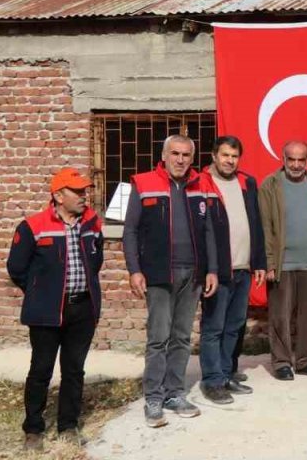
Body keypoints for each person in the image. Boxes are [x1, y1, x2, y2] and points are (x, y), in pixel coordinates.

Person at [123, 135, 218, 426]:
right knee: (158, 338)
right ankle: (153, 398)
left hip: (193, 274)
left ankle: (175, 393)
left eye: (186, 155)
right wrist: (134, 269)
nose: (180, 160)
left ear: (192, 157)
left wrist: (212, 269)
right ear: (164, 156)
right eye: (175, 154)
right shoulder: (143, 183)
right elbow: (130, 232)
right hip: (159, 274)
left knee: (182, 337)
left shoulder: (201, 183)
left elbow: (209, 232)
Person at [7, 168, 103, 450]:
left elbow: (96, 261)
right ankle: (34, 429)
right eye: (78, 191)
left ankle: (68, 425)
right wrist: (40, 293)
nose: (85, 196)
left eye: (85, 190)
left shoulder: (92, 224)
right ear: (59, 196)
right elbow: (16, 268)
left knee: (74, 370)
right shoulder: (33, 226)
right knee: (41, 370)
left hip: (83, 308)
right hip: (47, 312)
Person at [198, 136, 266, 404]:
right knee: (213, 326)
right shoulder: (201, 183)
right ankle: (212, 380)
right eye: (225, 155)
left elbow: (256, 224)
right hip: (217, 270)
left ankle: (227, 373)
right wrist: (206, 269)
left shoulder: (246, 182)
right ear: (214, 155)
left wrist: (258, 262)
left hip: (243, 268)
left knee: (235, 326)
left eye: (234, 156)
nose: (229, 160)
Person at [259, 140, 307, 382]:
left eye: (301, 159)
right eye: (291, 159)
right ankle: (282, 362)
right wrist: (269, 263)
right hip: (283, 264)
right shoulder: (270, 185)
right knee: (281, 317)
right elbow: (265, 227)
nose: (296, 164)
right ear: (283, 158)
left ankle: (306, 360)